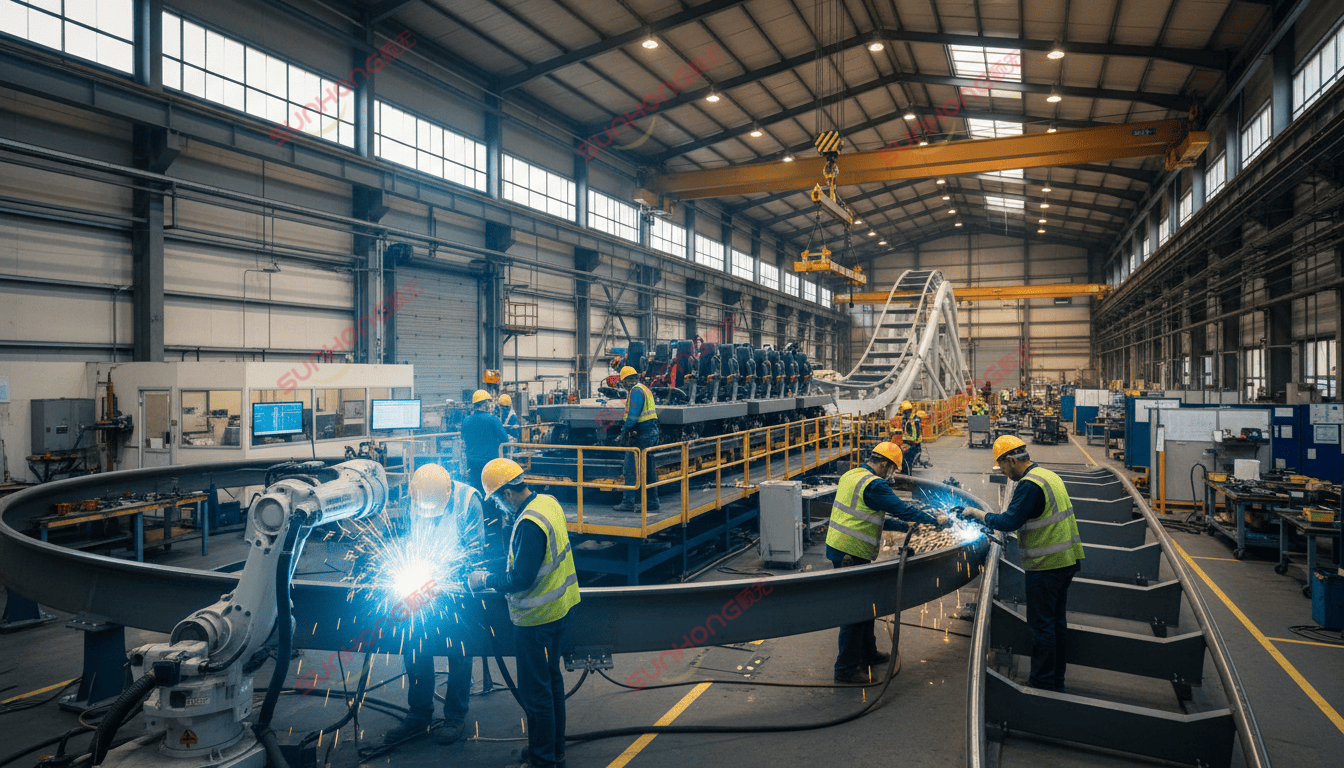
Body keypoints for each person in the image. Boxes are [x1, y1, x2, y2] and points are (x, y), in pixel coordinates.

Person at [469, 459, 580, 768]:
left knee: (537, 694)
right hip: (560, 609)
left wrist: (485, 580)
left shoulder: (528, 524)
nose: (499, 509)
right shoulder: (548, 501)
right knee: (551, 682)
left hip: (537, 620)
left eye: (497, 501)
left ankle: (543, 760)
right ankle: (553, 750)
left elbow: (521, 579)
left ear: (507, 493)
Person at [965, 436, 1085, 691]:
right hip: (1067, 560)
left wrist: (978, 514)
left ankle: (1041, 685)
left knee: (1042, 626)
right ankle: (1056, 680)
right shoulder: (1047, 475)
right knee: (1056, 623)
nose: (1004, 473)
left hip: (1046, 566)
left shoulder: (1029, 485)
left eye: (1002, 467)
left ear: (1010, 460)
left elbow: (1009, 521)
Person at [826, 441, 950, 683]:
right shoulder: (875, 485)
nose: (891, 475)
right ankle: (845, 669)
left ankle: (868, 654)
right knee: (855, 612)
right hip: (851, 553)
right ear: (883, 463)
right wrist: (935, 520)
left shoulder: (853, 475)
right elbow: (903, 509)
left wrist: (904, 527)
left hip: (840, 547)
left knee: (866, 606)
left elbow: (867, 515)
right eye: (892, 469)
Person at [383, 464, 484, 745]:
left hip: (457, 587)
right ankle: (419, 714)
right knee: (414, 647)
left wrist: (449, 572)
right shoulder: (413, 498)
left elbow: (477, 553)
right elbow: (407, 540)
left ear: (448, 492)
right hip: (421, 585)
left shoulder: (468, 501)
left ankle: (455, 715)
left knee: (459, 651)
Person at [615, 366, 660, 512]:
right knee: (648, 470)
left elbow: (634, 415)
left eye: (623, 382)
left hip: (643, 434)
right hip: (651, 432)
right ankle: (653, 502)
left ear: (626, 381)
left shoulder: (636, 391)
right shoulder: (644, 389)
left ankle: (628, 502)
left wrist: (624, 429)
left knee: (630, 468)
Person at [462, 389, 512, 494]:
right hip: (489, 464)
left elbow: (463, 441)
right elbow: (505, 441)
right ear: (484, 404)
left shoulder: (466, 421)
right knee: (491, 492)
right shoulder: (493, 420)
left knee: (475, 491)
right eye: (488, 403)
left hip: (472, 464)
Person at [902, 406, 924, 473]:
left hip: (911, 443)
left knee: (907, 461)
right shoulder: (916, 419)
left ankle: (907, 474)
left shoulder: (910, 422)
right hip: (915, 443)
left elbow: (912, 434)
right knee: (909, 461)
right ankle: (908, 472)